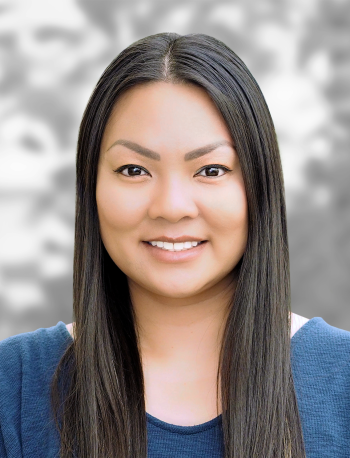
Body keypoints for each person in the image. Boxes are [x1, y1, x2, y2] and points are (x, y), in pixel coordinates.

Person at [0, 32, 349, 458]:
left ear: (260, 186)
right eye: (133, 169)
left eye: (211, 170)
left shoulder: (342, 379)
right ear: (90, 187)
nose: (172, 207)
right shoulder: (13, 385)